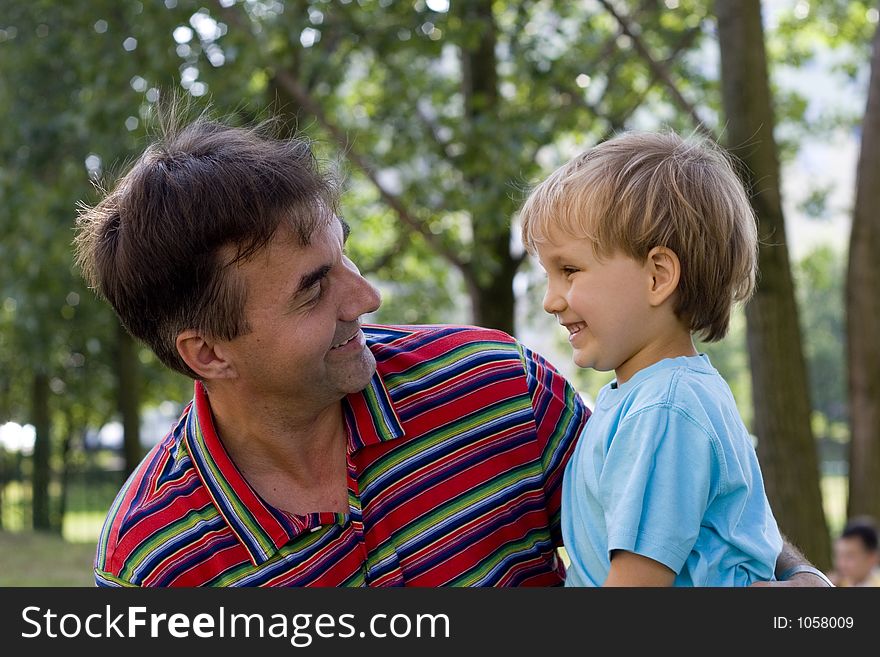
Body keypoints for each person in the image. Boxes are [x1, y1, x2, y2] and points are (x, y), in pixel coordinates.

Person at [76, 110, 824, 586]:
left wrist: (797, 580)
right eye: (313, 289)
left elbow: (675, 491)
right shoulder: (154, 557)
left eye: (347, 257)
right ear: (209, 353)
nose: (365, 298)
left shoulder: (498, 386)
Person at [520, 131, 784, 586]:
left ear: (658, 276)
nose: (551, 300)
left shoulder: (664, 408)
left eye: (569, 271)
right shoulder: (646, 396)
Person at [830, 517, 880, 587]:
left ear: (872, 557)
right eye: (839, 555)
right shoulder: (836, 583)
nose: (842, 564)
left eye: (850, 556)